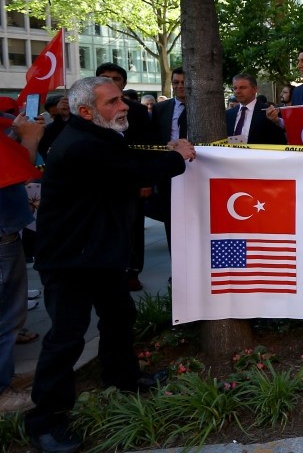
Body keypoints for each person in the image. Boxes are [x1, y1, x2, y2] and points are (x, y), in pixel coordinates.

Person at [25, 76, 196, 453]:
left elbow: (129, 159)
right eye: (113, 102)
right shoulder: (82, 146)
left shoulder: (99, 137)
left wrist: (165, 153)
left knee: (119, 316)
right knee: (66, 338)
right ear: (86, 111)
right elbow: (132, 172)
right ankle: (46, 420)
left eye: (121, 99)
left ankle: (123, 377)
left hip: (99, 254)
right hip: (70, 260)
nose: (123, 107)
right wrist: (178, 156)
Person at [0, 113, 43, 414]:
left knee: (10, 315)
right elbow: (15, 171)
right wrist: (29, 139)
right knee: (5, 315)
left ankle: (5, 377)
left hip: (7, 233)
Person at [96, 62, 152, 292]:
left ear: (123, 83)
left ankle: (132, 271)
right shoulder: (87, 109)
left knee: (132, 227)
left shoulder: (136, 111)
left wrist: (147, 181)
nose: (110, 82)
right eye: (104, 77)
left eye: (115, 79)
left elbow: (147, 146)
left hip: (131, 181)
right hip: (97, 183)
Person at [149, 67, 188, 251]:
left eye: (183, 82)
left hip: (197, 170)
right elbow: (153, 140)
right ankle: (177, 270)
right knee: (171, 222)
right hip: (168, 173)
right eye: (176, 82)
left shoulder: (207, 108)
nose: (179, 86)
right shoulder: (160, 108)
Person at [225, 73, 286, 145]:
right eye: (235, 88)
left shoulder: (270, 112)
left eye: (242, 88)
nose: (237, 91)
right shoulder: (229, 114)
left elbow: (280, 141)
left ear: (254, 89)